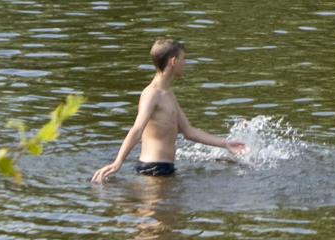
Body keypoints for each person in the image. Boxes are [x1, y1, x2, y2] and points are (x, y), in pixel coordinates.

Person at [92, 38, 247, 181]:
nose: (185, 63)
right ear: (173, 61)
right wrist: (117, 163)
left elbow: (189, 131)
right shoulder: (152, 94)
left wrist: (225, 144)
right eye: (183, 58)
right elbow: (137, 129)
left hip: (166, 169)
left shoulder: (168, 93)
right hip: (153, 169)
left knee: (173, 211)